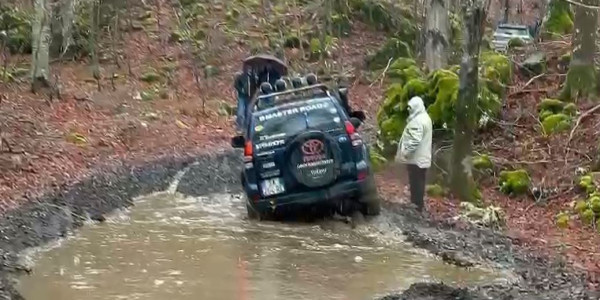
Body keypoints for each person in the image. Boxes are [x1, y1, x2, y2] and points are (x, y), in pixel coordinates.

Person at [395, 96, 432, 213]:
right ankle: (418, 205)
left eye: (411, 107)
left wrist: (405, 153)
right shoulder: (425, 117)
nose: (409, 110)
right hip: (423, 157)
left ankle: (416, 205)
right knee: (419, 181)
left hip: (416, 159)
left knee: (416, 182)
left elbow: (414, 140)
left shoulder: (417, 121)